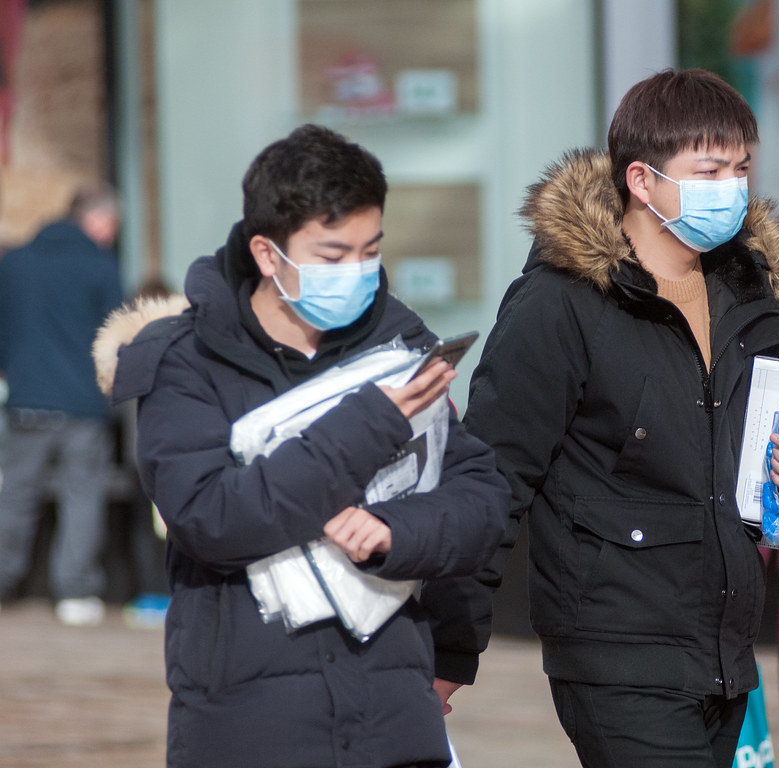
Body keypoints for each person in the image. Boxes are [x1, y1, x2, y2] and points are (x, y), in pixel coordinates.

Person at [425, 69, 779, 768]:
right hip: (616, 651)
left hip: (725, 650)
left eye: (740, 168)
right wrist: (450, 641)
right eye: (709, 168)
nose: (732, 187)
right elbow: (492, 479)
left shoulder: (753, 298)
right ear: (642, 180)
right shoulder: (559, 304)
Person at [90, 125, 508, 768]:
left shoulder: (397, 339)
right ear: (267, 253)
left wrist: (395, 534)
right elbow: (212, 519)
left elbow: (479, 496)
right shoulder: (185, 362)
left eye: (371, 251)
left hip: (393, 719)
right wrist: (369, 424)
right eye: (333, 256)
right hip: (251, 729)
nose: (359, 273)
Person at [0, 182, 124, 626]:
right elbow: (114, 339)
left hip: (27, 400)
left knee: (14, 495)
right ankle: (75, 593)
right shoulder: (100, 267)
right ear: (97, 220)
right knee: (81, 496)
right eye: (112, 225)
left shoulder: (13, 263)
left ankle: (3, 582)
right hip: (84, 404)